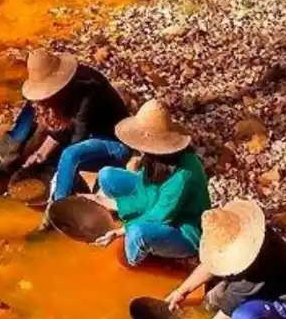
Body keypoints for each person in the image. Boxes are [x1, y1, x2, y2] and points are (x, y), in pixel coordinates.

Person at [166, 200, 286, 319]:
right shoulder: (250, 233)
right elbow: (210, 265)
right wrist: (181, 291)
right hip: (264, 283)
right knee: (211, 300)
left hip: (284, 300)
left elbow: (226, 313)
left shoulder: (255, 267)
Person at [90, 100, 211, 266]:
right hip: (157, 204)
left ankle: (133, 260)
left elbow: (161, 216)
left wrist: (119, 232)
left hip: (181, 229)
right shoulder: (156, 161)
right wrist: (111, 202)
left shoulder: (183, 174)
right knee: (106, 176)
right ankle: (133, 230)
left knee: (136, 233)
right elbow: (144, 194)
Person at [0, 48, 130, 174]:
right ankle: (1, 158)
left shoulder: (88, 92)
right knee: (30, 111)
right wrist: (40, 154)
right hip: (78, 124)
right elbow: (61, 124)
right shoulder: (60, 95)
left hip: (107, 136)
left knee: (60, 160)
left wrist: (47, 156)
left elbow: (76, 139)